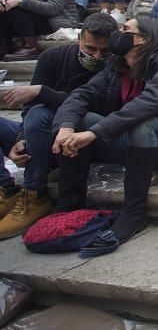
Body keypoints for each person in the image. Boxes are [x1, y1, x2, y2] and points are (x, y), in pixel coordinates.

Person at [51, 17, 158, 256]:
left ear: (143, 39)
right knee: (80, 119)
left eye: (125, 29)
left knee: (143, 124)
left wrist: (95, 133)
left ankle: (135, 212)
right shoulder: (117, 63)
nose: (118, 33)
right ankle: (70, 203)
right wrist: (66, 126)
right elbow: (83, 94)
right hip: (135, 143)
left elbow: (150, 102)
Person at [0, 12, 117, 238]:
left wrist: (44, 93)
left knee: (42, 112)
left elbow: (91, 111)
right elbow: (28, 107)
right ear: (78, 41)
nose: (97, 56)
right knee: (35, 115)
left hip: (78, 143)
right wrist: (20, 139)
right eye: (90, 49)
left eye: (104, 51)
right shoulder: (52, 58)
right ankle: (5, 189)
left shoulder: (114, 67)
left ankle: (35, 193)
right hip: (39, 136)